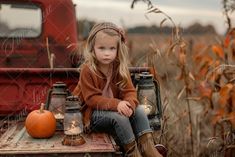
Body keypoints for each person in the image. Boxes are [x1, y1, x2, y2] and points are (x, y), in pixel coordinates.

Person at [73, 22, 163, 157]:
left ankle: (148, 150)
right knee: (119, 117)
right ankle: (132, 153)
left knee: (138, 110)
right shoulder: (88, 70)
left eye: (111, 49)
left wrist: (129, 105)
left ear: (118, 49)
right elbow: (91, 99)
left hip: (113, 110)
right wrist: (117, 104)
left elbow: (130, 92)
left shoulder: (119, 68)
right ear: (92, 48)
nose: (107, 53)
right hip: (92, 115)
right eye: (101, 48)